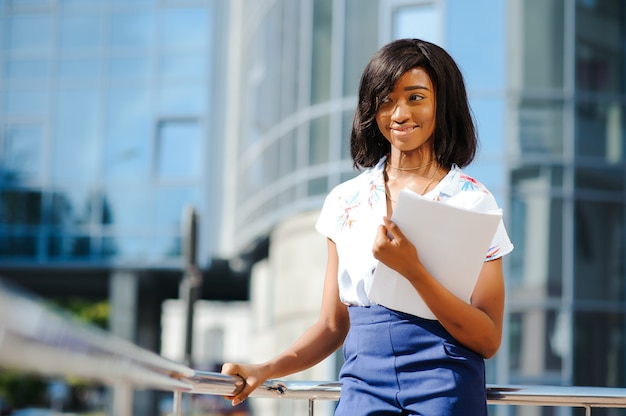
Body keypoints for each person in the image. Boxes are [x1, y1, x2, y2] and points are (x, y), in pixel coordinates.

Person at [221, 38, 514, 415]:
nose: (399, 113)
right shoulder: (345, 201)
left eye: (415, 97)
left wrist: (413, 271)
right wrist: (265, 369)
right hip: (362, 385)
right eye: (386, 100)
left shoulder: (473, 200)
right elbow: (331, 325)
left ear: (443, 104)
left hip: (446, 386)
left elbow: (488, 339)